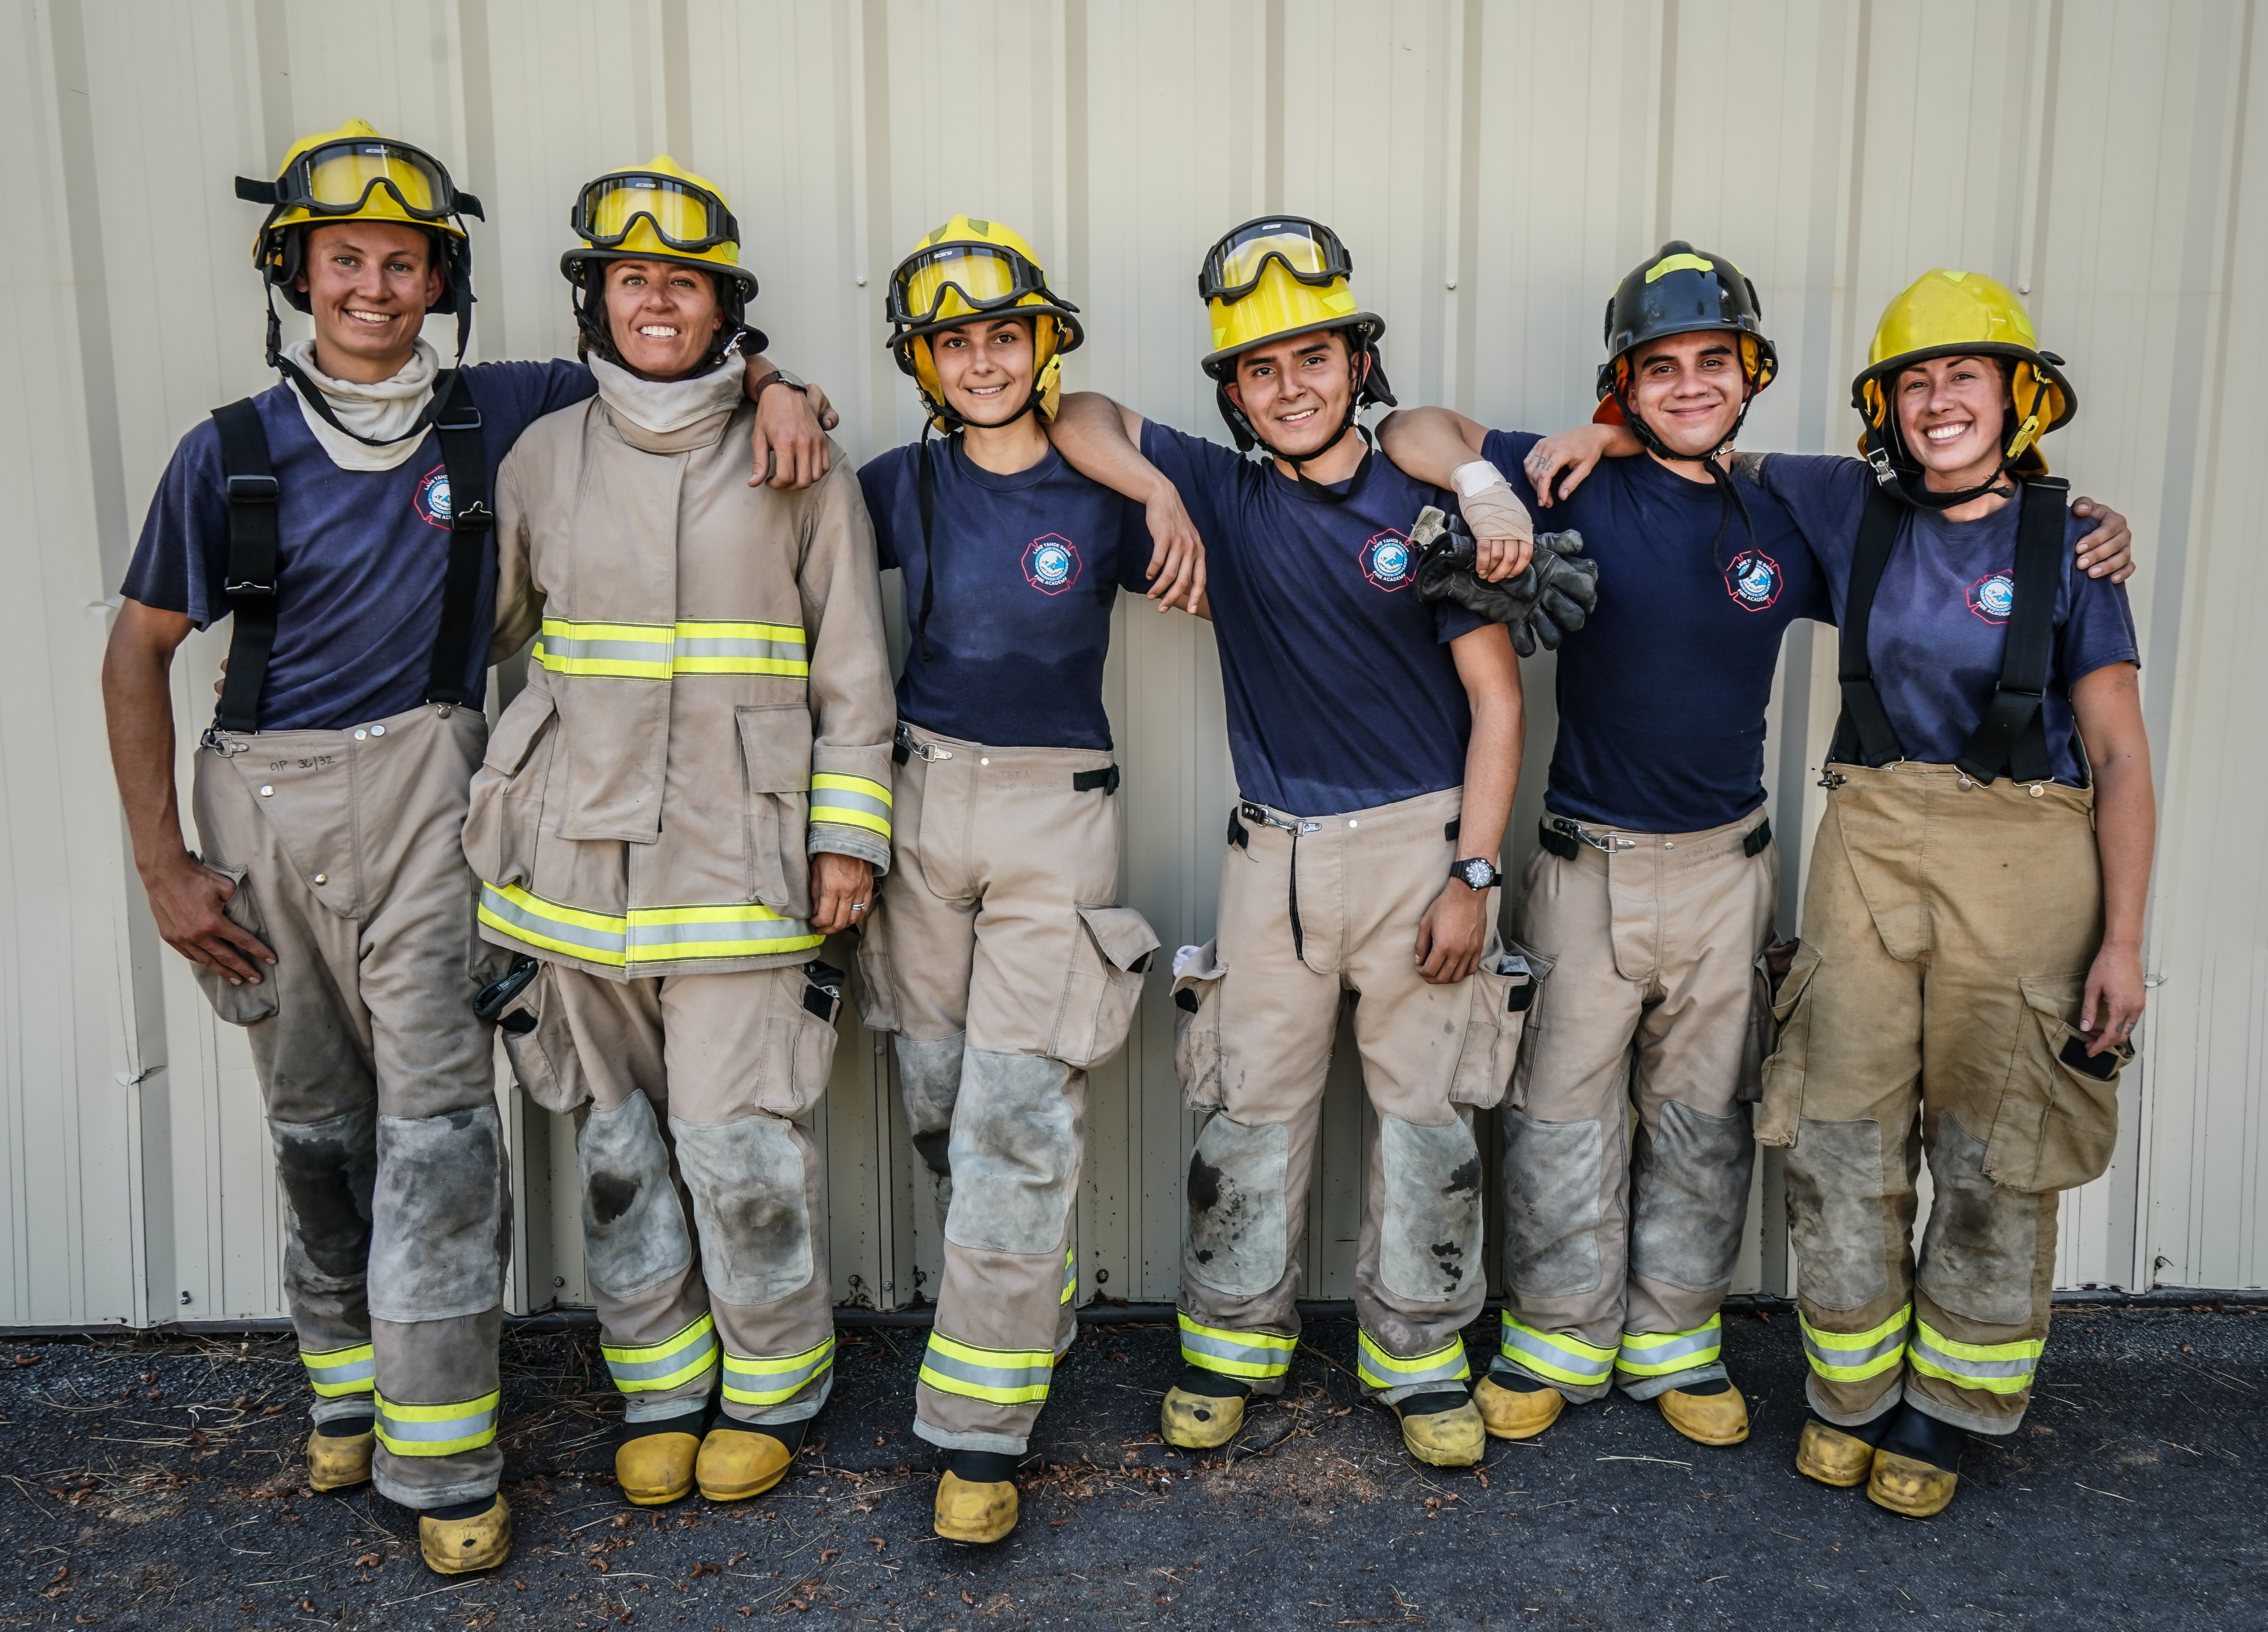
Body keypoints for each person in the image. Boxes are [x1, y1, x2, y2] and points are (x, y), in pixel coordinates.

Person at [99, 124, 834, 1577]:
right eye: (345, 260)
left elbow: (668, 359)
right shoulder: (226, 452)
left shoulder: (498, 409)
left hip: (433, 786)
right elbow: (137, 655)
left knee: (439, 1131)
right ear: (295, 275)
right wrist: (163, 865)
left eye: (403, 261)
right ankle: (346, 1386)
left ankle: (444, 1465)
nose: (374, 287)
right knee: (316, 1125)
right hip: (257, 804)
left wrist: (778, 380)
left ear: (444, 279)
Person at [1388, 247, 2138, 1456]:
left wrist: (2085, 523)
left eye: (1714, 364)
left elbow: (1967, 540)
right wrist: (1485, 483)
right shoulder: (1569, 479)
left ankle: (1677, 1339)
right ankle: (1559, 1340)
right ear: (1621, 386)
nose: (1689, 386)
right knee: (1559, 1112)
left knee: (1705, 1116)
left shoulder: (1793, 509)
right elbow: (1409, 428)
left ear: (1753, 376)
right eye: (1660, 368)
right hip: (1586, 863)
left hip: (1729, 870)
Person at [1048, 217, 1532, 1469]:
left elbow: (1498, 703)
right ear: (1234, 395)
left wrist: (1476, 872)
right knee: (1247, 1104)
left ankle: (1420, 1351)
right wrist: (1159, 489)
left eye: (1312, 358)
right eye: (1259, 370)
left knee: (1428, 1113)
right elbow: (1076, 411)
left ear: (1357, 368)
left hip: (1421, 849)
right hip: (1275, 859)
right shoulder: (1226, 490)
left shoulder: (1424, 503)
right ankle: (1231, 1338)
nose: (1289, 386)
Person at [461, 156, 895, 1517]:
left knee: (739, 1144)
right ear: (595, 300)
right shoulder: (540, 455)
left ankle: (773, 1386)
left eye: (685, 281)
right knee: (616, 1146)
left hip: (741, 863)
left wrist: (849, 840)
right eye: (632, 279)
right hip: (576, 874)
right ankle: (658, 1382)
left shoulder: (797, 455)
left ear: (727, 310)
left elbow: (855, 671)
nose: (659, 302)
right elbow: (498, 645)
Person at [1746, 271, 2151, 1519]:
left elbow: (2124, 757)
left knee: (1995, 1135)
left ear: (2022, 395)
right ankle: (1853, 1383)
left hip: (2028, 848)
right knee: (1837, 1120)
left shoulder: (2072, 545)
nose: (1937, 402)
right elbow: (1680, 444)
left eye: (1963, 376)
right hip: (1869, 829)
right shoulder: (1839, 503)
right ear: (1886, 409)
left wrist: (2125, 942)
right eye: (1913, 382)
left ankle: (1956, 1399)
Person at [848, 216, 1203, 1544]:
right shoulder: (899, 481)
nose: (985, 360)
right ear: (924, 363)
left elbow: (1125, 427)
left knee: (1015, 1114)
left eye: (1009, 335)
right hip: (923, 802)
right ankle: (1023, 1309)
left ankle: (979, 1435)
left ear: (1046, 343)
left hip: (1058, 813)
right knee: (943, 1103)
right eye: (957, 342)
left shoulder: (1102, 483)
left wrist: (1161, 491)